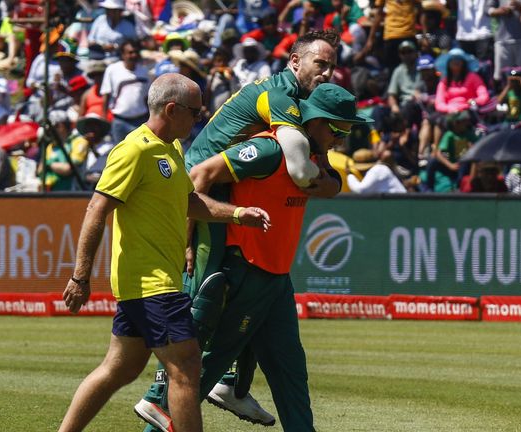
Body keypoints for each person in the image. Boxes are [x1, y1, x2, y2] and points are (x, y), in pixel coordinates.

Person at [134, 30, 342, 430]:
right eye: (321, 64)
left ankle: (229, 384)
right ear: (295, 62)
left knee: (245, 301)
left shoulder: (301, 104)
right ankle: (161, 394)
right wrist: (188, 236)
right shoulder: (278, 97)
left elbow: (320, 166)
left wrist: (331, 179)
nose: (328, 73)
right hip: (202, 186)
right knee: (209, 291)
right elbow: (297, 169)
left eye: (332, 65)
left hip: (222, 188)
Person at [58, 73, 270, 432]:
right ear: (172, 110)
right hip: (151, 283)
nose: (198, 119)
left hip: (152, 283)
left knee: (119, 369)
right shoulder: (134, 150)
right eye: (195, 112)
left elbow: (189, 201)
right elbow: (97, 209)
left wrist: (236, 214)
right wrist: (80, 276)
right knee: (186, 368)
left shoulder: (171, 147)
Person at [181, 83, 371, 431]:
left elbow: (329, 183)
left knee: (291, 373)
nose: (342, 140)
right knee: (205, 371)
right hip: (247, 273)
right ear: (317, 122)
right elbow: (199, 175)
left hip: (276, 277)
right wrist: (188, 238)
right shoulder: (268, 149)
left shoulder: (312, 159)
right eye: (340, 130)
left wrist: (333, 183)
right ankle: (159, 416)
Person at [101, 40, 151, 144]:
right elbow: (106, 95)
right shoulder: (112, 70)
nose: (134, 55)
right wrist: (104, 118)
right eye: (130, 52)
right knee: (119, 155)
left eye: (136, 52)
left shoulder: (144, 71)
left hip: (140, 121)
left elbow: (147, 98)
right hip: (120, 122)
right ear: (123, 54)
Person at [488, 0, 521, 83]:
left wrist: (520, 7)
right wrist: (500, 11)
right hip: (502, 40)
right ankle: (502, 93)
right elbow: (488, 10)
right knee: (501, 75)